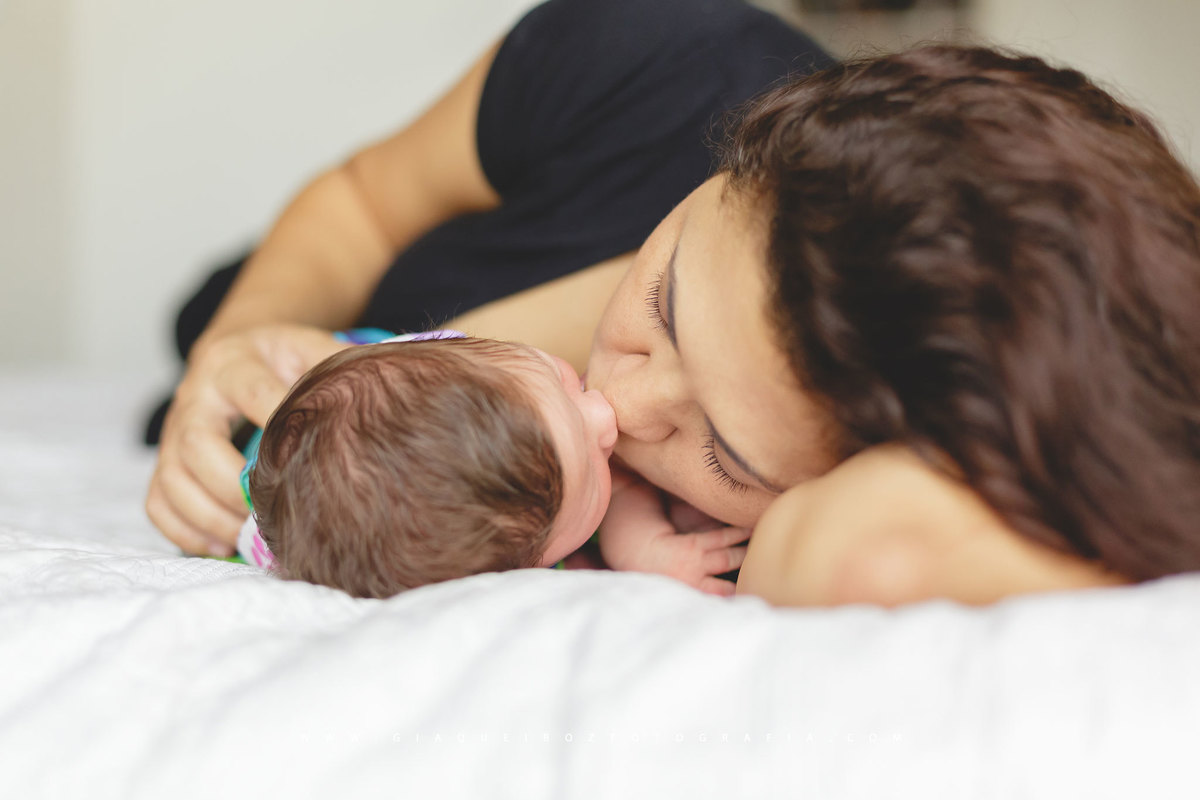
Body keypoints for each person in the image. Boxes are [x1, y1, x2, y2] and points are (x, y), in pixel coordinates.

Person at [146, 0, 1200, 607]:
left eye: (728, 458)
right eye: (660, 302)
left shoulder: (881, 432)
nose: (623, 405)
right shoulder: (657, 53)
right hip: (337, 294)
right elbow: (363, 205)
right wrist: (232, 346)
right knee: (196, 311)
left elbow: (869, 550)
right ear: (726, 164)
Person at [238, 330, 751, 598]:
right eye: (594, 475)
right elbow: (621, 493)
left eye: (563, 381)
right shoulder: (483, 546)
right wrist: (645, 549)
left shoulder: (459, 377)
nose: (604, 417)